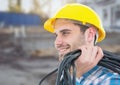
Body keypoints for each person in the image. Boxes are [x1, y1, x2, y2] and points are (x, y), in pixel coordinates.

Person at [43, 3, 120, 85]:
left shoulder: (111, 80)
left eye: (65, 33)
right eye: (56, 35)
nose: (57, 42)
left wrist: (76, 77)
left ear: (90, 35)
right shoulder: (68, 72)